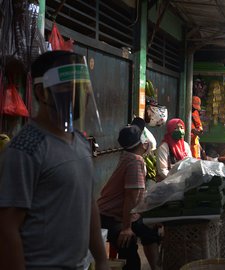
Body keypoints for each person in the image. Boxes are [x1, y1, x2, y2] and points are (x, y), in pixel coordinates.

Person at [0, 51, 110, 270]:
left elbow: (89, 205)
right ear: (41, 92)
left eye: (82, 88)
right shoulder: (26, 148)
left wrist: (102, 259)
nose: (80, 96)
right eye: (69, 88)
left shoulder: (80, 141)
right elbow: (7, 227)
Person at [98, 122, 161, 270]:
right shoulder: (134, 161)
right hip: (110, 216)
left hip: (124, 214)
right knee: (129, 247)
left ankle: (156, 267)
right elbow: (131, 197)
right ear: (142, 143)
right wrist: (127, 228)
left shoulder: (128, 156)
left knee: (150, 231)